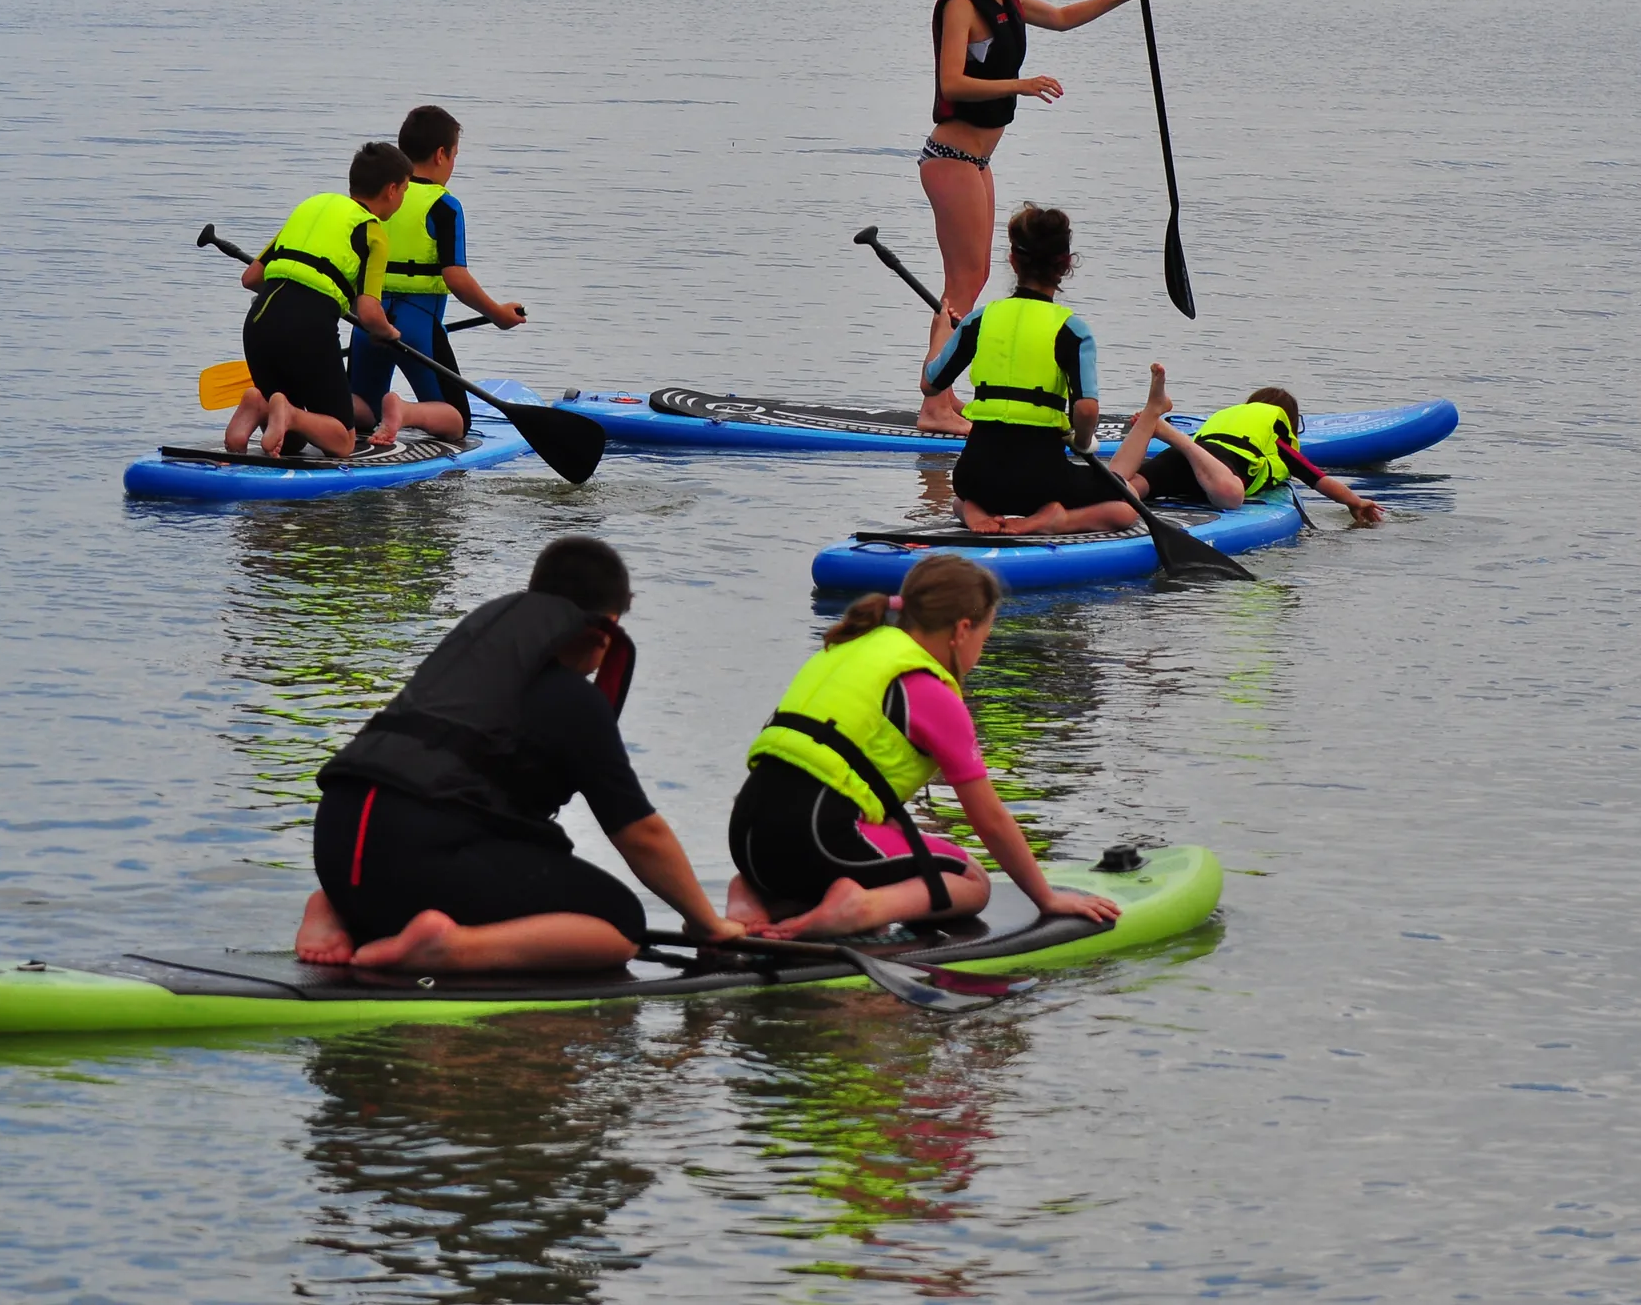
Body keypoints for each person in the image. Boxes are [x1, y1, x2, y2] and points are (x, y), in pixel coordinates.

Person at [293, 536, 743, 972]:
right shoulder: (573, 702)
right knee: (620, 922)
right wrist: (709, 923)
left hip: (337, 846)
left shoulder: (466, 670)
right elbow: (641, 835)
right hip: (415, 859)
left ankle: (334, 910)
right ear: (606, 629)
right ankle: (448, 947)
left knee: (444, 856)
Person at [727, 553, 1124, 940]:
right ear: (962, 630)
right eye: (985, 636)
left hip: (749, 837)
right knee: (971, 882)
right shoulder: (929, 690)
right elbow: (989, 819)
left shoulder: (850, 648)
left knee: (861, 837)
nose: (980, 652)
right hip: (817, 837)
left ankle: (749, 900)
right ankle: (858, 907)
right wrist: (1046, 897)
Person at [915, 0, 1151, 432]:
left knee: (967, 283)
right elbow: (951, 80)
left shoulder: (1009, 0)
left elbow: (1065, 18)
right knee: (964, 285)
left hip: (976, 161)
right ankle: (934, 403)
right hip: (950, 157)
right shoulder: (961, 4)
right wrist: (1021, 84)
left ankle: (943, 395)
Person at [922, 203, 1169, 536]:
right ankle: (1050, 521)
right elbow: (1086, 408)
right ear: (1066, 265)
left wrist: (941, 333)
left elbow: (931, 384)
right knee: (1124, 504)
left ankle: (973, 511)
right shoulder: (1073, 330)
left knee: (961, 498)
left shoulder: (979, 319)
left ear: (1012, 261)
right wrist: (1082, 443)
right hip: (1042, 482)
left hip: (973, 476)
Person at [346, 105, 529, 448]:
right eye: (455, 155)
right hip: (418, 327)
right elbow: (455, 276)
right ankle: (404, 410)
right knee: (457, 421)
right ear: (442, 154)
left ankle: (295, 410)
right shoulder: (444, 205)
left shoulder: (375, 195)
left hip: (366, 320)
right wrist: (498, 314)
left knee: (359, 412)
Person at [224, 142, 413, 461]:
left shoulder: (311, 207)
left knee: (293, 441)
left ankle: (260, 405)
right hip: (308, 329)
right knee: (342, 441)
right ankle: (288, 413)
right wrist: (389, 333)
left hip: (258, 322)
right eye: (405, 190)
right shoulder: (373, 233)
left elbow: (252, 278)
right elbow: (369, 313)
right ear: (392, 190)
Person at [1130, 385, 1385, 524]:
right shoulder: (1277, 440)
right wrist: (1355, 501)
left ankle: (1170, 438)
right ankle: (1174, 436)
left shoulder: (1223, 420)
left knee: (1133, 488)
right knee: (1230, 497)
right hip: (1220, 467)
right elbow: (1320, 480)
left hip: (1184, 458)